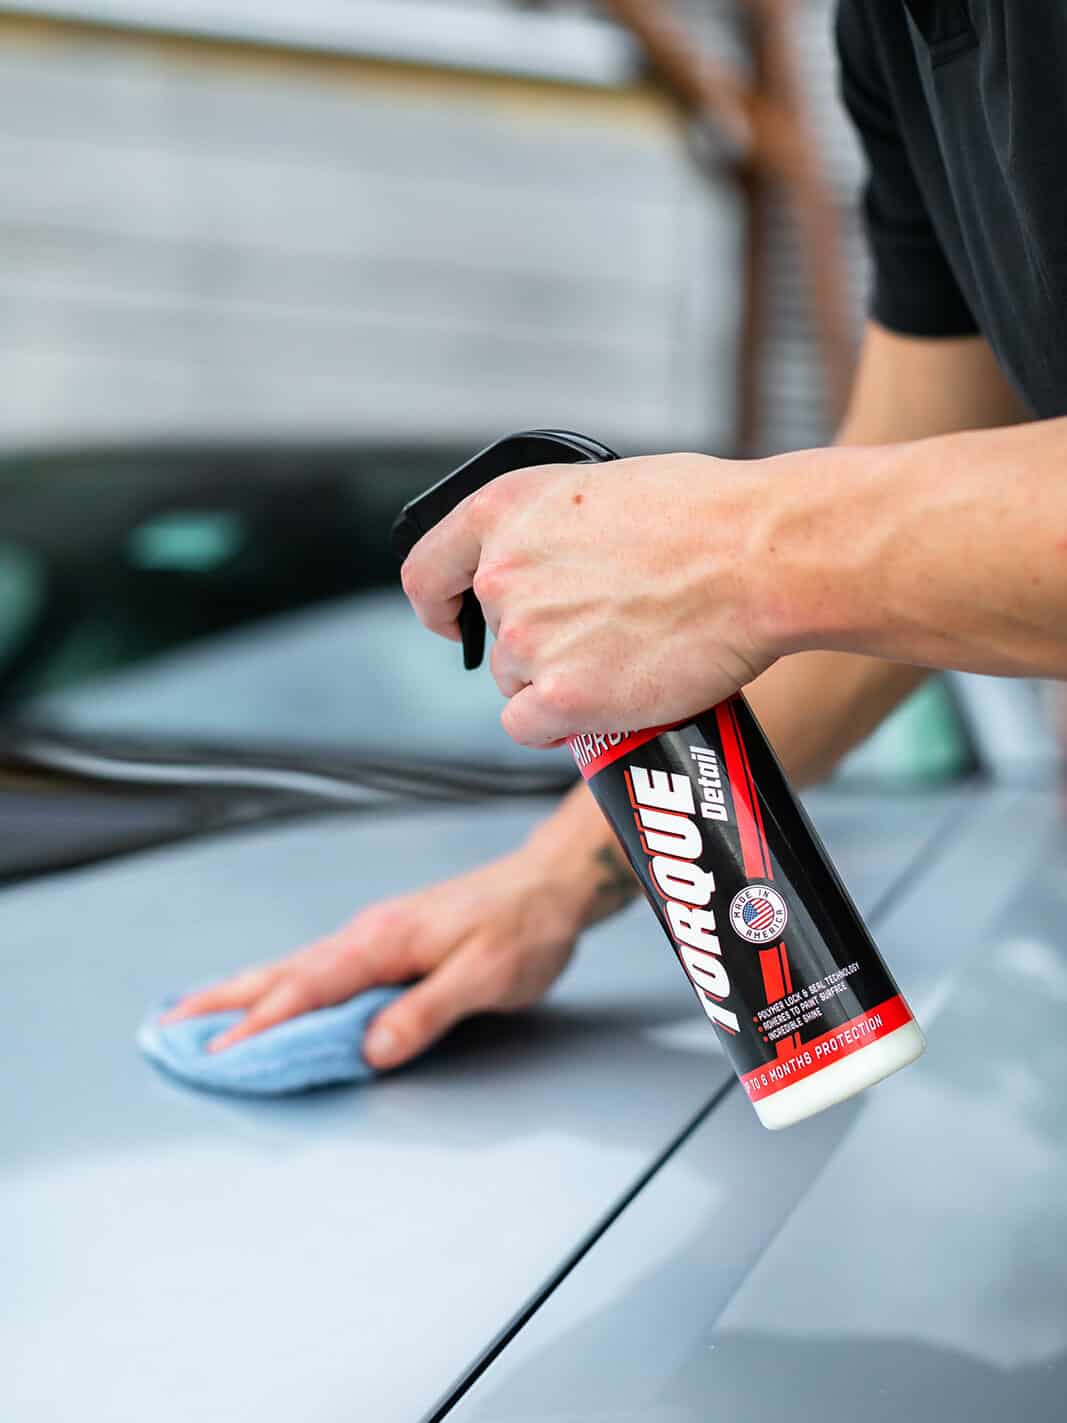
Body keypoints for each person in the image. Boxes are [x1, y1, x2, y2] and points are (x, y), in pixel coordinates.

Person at [166, 2, 1066, 1068]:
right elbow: (918, 486)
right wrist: (549, 884)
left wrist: (738, 555)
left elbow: (831, 554)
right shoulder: (892, 35)